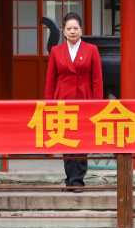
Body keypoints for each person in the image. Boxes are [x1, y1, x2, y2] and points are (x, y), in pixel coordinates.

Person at [45, 12, 104, 191]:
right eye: (69, 28)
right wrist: (49, 104)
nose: (72, 32)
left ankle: (78, 181)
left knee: (81, 140)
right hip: (63, 100)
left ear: (81, 30)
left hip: (84, 100)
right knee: (66, 140)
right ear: (63, 31)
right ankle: (69, 180)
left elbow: (97, 80)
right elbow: (50, 80)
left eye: (75, 28)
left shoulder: (91, 49)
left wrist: (97, 104)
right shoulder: (56, 51)